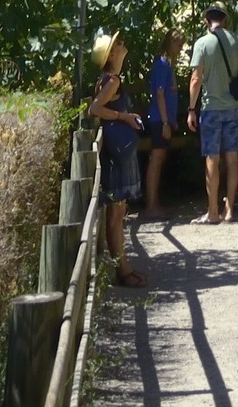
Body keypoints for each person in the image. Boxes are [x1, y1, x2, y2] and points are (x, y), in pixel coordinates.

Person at [89, 34, 148, 286]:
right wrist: (123, 117)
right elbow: (95, 109)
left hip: (116, 152)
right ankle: (122, 270)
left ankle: (123, 266)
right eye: (118, 45)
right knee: (116, 215)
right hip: (117, 156)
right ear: (111, 55)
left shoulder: (110, 81)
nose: (123, 45)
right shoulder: (112, 81)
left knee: (118, 213)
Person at [186, 3, 238, 224]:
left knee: (212, 158)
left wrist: (191, 109)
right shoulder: (237, 41)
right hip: (234, 108)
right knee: (232, 158)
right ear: (225, 19)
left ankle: (212, 212)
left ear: (206, 20)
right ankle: (230, 210)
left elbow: (196, 79)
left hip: (211, 108)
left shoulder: (202, 43)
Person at [141, 30, 183, 219]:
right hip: (159, 120)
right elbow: (159, 94)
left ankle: (155, 203)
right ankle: (151, 206)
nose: (180, 48)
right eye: (178, 44)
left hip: (165, 120)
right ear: (170, 43)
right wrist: (165, 121)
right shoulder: (161, 65)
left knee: (159, 160)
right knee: (156, 160)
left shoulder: (169, 65)